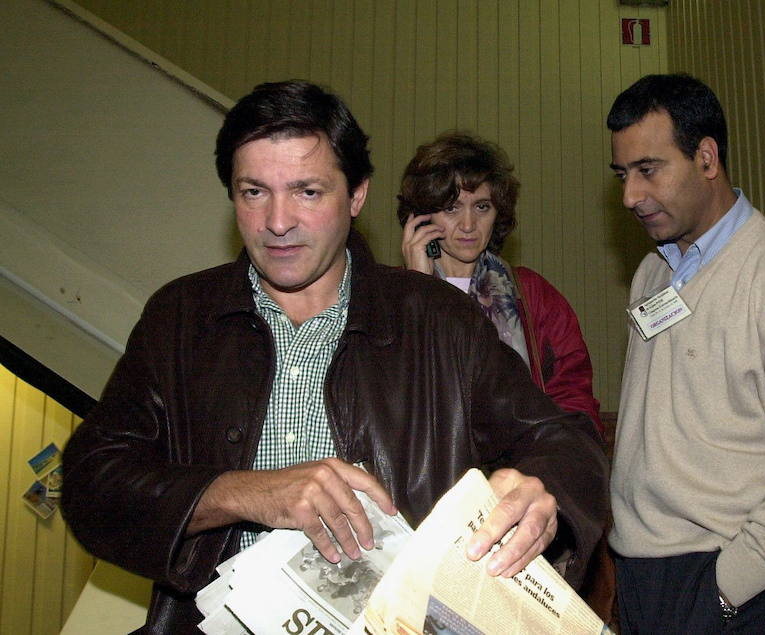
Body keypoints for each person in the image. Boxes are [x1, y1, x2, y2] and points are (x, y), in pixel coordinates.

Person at [60, 80, 609, 634]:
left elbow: (565, 441)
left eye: (307, 192)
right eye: (254, 192)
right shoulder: (179, 318)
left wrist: (543, 494)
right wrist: (244, 492)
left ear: (356, 196)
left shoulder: (438, 321)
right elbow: (92, 484)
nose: (277, 222)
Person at [606, 73, 765, 633]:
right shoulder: (652, 273)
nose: (630, 196)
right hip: (641, 577)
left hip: (734, 583)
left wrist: (726, 594)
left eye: (648, 170)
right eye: (623, 175)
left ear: (706, 158)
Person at [397, 132, 602, 433]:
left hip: (523, 470)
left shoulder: (532, 294)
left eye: (482, 207)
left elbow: (573, 397)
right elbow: (389, 395)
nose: (468, 225)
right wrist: (417, 289)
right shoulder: (390, 296)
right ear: (422, 216)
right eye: (452, 208)